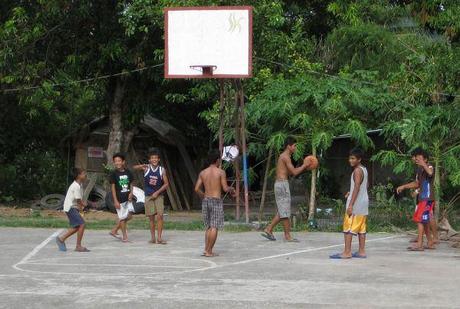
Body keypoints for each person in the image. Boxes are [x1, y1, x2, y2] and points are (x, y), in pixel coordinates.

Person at [261, 137, 312, 242]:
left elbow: (290, 172)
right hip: (282, 185)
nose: (295, 148)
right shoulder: (285, 157)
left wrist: (303, 167)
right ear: (289, 146)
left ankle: (269, 229)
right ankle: (287, 236)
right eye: (294, 146)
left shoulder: (286, 156)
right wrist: (305, 165)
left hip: (281, 184)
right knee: (285, 211)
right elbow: (294, 172)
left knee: (283, 210)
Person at [194, 150, 235, 257]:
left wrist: (204, 196)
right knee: (214, 226)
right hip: (216, 200)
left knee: (208, 226)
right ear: (217, 160)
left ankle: (206, 249)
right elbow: (225, 189)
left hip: (206, 200)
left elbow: (197, 189)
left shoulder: (203, 173)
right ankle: (209, 251)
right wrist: (232, 189)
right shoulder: (220, 172)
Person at [330, 147, 369, 259]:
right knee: (361, 228)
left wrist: (351, 204)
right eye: (350, 158)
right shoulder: (364, 169)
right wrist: (350, 192)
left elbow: (357, 186)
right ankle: (362, 251)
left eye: (353, 158)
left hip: (356, 204)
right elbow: (365, 185)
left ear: (359, 159)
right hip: (363, 203)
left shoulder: (357, 171)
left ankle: (347, 252)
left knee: (348, 227)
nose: (350, 160)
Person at [397, 148, 437, 251]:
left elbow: (430, 173)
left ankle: (419, 244)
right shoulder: (419, 170)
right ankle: (430, 242)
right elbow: (417, 184)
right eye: (416, 157)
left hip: (427, 198)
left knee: (420, 220)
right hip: (422, 198)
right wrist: (404, 186)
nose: (416, 159)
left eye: (419, 157)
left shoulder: (429, 166)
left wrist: (423, 163)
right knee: (425, 221)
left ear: (426, 159)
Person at [133, 149, 169, 244]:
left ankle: (159, 238)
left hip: (159, 196)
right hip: (148, 196)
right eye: (152, 158)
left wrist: (157, 192)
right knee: (151, 217)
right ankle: (153, 238)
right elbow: (134, 167)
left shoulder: (162, 170)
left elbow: (166, 184)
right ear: (149, 160)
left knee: (160, 216)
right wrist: (141, 166)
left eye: (156, 158)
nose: (154, 160)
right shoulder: (146, 168)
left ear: (159, 159)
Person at [56, 168, 90, 252]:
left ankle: (61, 238)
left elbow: (78, 200)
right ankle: (78, 246)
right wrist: (83, 206)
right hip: (70, 207)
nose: (85, 175)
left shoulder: (79, 184)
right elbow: (78, 200)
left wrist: (80, 208)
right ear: (78, 176)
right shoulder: (76, 186)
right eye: (83, 173)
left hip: (71, 207)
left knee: (77, 226)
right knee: (82, 224)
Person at [109, 153, 134, 243]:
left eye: (119, 161)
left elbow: (131, 184)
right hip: (119, 199)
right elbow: (113, 188)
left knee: (130, 216)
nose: (117, 163)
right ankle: (124, 237)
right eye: (115, 161)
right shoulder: (113, 174)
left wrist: (131, 193)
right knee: (122, 218)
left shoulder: (128, 172)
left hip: (128, 199)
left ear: (123, 162)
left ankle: (114, 230)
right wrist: (115, 201)